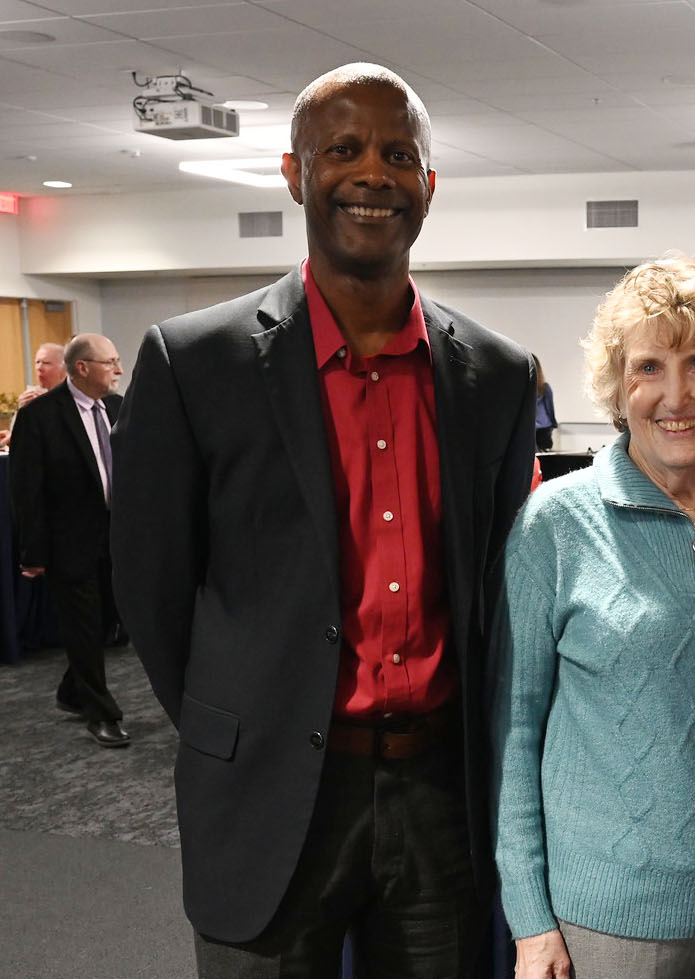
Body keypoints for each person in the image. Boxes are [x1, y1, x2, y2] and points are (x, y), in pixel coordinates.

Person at [109, 63, 536, 976]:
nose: (373, 173)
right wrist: (242, 706)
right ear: (295, 173)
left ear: (430, 184)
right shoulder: (197, 362)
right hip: (263, 785)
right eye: (342, 149)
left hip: (438, 791)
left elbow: (499, 591)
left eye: (398, 153)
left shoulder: (495, 374)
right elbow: (151, 587)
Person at [492, 255, 695, 979]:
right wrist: (530, 921)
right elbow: (514, 731)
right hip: (605, 921)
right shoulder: (555, 525)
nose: (674, 395)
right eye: (648, 367)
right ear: (617, 385)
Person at [9, 333, 127, 747]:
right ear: (83, 368)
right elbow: (27, 492)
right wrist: (33, 552)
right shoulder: (40, 416)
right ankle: (102, 714)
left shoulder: (116, 407)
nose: (118, 369)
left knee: (109, 621)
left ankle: (70, 691)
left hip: (116, 540)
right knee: (83, 627)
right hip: (68, 544)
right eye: (110, 361)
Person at [1, 342, 67, 449]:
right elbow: (19, 436)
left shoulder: (71, 396)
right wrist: (22, 410)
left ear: (64, 368)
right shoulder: (31, 396)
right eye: (37, 362)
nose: (39, 368)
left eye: (46, 363)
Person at [532, 353, 558, 450]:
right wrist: (553, 424)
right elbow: (550, 408)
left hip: (534, 428)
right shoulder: (544, 387)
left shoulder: (525, 389)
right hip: (544, 427)